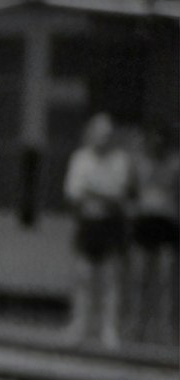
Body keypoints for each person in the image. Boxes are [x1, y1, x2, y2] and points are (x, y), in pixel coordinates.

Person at [62, 112, 134, 349]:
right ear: (90, 134)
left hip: (110, 225)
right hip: (87, 224)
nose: (103, 139)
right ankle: (80, 327)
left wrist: (93, 190)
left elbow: (119, 194)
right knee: (83, 278)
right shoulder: (80, 159)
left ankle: (108, 330)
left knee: (109, 281)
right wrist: (101, 192)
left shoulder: (120, 160)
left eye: (108, 135)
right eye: (99, 134)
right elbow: (73, 193)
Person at [127, 123, 179, 343]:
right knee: (139, 277)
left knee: (165, 278)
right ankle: (137, 325)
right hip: (144, 222)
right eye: (153, 140)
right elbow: (130, 191)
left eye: (161, 140)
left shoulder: (175, 164)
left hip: (166, 223)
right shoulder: (139, 163)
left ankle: (164, 327)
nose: (157, 144)